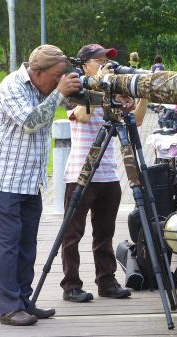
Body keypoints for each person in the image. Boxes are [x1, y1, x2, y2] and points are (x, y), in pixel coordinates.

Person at [0, 44, 81, 326]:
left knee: (26, 246)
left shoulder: (44, 89)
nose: (61, 80)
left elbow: (75, 105)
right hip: (2, 179)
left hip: (28, 181)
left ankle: (24, 301)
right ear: (38, 72)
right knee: (6, 246)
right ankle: (9, 308)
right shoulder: (12, 87)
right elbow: (31, 122)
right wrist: (61, 92)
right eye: (58, 75)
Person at [61, 44, 147, 303]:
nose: (106, 64)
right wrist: (98, 85)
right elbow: (83, 116)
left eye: (108, 61)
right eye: (99, 60)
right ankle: (71, 285)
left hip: (109, 173)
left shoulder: (113, 92)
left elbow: (139, 120)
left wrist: (142, 92)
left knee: (105, 233)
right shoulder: (75, 88)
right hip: (80, 172)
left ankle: (106, 281)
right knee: (72, 234)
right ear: (85, 64)